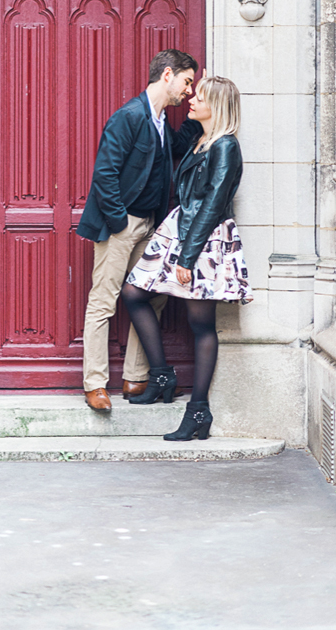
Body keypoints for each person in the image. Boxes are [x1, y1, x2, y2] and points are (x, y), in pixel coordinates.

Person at [122, 75, 252, 440]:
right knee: (133, 294)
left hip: (204, 238)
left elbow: (212, 206)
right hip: (182, 228)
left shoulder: (225, 147)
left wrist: (187, 257)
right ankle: (162, 376)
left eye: (200, 97)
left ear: (218, 107)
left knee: (201, 325)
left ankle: (198, 412)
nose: (191, 100)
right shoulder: (201, 140)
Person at [77, 49, 202, 411]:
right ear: (167, 75)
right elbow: (105, 174)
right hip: (122, 225)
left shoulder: (160, 119)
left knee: (150, 297)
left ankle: (135, 376)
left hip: (150, 224)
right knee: (103, 301)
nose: (188, 90)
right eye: (187, 81)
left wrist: (202, 108)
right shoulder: (129, 116)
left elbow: (179, 146)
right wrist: (120, 223)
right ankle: (95, 384)